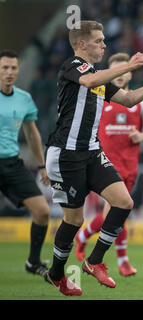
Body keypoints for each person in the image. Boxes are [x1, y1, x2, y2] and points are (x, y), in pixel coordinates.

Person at [43, 21, 143, 296]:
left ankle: (94, 261)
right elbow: (90, 80)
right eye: (99, 40)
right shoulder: (73, 67)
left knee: (124, 201)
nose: (104, 44)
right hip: (67, 154)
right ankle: (56, 274)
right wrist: (129, 65)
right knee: (74, 220)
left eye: (104, 40)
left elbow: (128, 99)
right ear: (82, 44)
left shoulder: (97, 76)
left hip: (91, 151)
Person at [74, 52, 143, 276]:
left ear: (130, 73)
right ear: (111, 72)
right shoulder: (99, 96)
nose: (121, 75)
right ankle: (123, 261)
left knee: (116, 214)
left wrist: (140, 136)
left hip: (131, 165)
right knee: (117, 211)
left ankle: (83, 236)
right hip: (105, 165)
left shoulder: (141, 100)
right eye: (116, 69)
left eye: (125, 69)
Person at [0, 49, 51, 276]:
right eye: (5, 68)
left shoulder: (24, 98)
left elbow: (32, 134)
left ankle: (33, 262)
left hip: (11, 163)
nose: (9, 72)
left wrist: (42, 166)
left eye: (13, 68)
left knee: (42, 212)